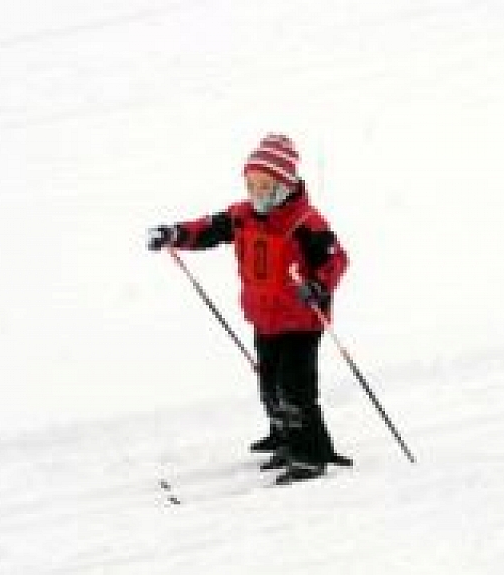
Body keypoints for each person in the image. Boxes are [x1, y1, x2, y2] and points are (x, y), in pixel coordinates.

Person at [147, 133, 351, 484]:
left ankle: (310, 454)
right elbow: (208, 229)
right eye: (252, 185)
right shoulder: (242, 216)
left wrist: (318, 286)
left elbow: (337, 259)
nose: (257, 193)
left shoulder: (306, 223)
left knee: (295, 388)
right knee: (270, 384)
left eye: (266, 186)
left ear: (286, 185)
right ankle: (284, 438)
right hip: (263, 318)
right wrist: (176, 234)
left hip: (300, 321)